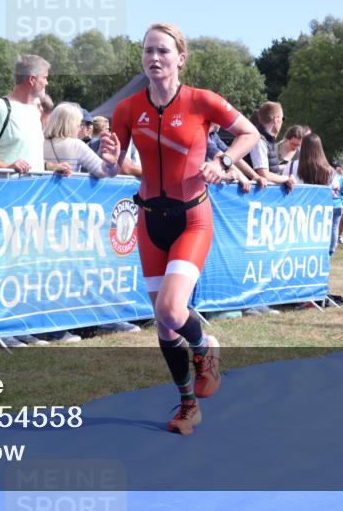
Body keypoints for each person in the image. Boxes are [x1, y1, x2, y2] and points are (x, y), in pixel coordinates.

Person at [111, 22, 259, 436]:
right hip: (149, 220)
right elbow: (113, 165)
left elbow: (248, 133)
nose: (154, 58)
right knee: (163, 324)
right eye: (148, 51)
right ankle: (188, 405)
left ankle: (205, 346)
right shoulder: (127, 109)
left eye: (163, 51)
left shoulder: (201, 101)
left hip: (192, 217)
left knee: (171, 310)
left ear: (180, 58)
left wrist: (224, 161)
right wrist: (108, 158)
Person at [0, 55, 53, 176]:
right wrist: (7, 168)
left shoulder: (35, 110)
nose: (47, 83)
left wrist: (53, 167)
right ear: (32, 80)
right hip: (5, 187)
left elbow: (29, 156)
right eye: (45, 78)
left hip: (34, 187)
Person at [43, 103, 113, 178]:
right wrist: (111, 159)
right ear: (71, 125)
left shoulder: (40, 142)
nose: (79, 128)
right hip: (70, 185)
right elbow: (102, 172)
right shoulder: (76, 145)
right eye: (78, 124)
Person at [246, 101, 295, 189]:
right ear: (276, 119)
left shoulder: (266, 139)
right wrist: (287, 178)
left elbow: (269, 168)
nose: (282, 122)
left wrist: (280, 168)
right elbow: (264, 174)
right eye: (282, 118)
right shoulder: (259, 140)